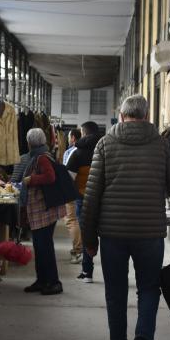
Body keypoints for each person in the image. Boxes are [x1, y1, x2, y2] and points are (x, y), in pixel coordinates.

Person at [82, 95, 170, 340]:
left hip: (112, 234)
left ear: (121, 116)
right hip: (149, 234)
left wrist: (88, 239)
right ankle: (143, 337)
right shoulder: (161, 146)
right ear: (146, 116)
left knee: (116, 294)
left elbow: (92, 196)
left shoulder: (105, 144)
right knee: (148, 288)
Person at [20, 128, 66, 295]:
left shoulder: (41, 158)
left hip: (44, 211)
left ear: (30, 143)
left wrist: (31, 179)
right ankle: (42, 280)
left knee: (44, 247)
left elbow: (50, 177)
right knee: (40, 247)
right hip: (42, 210)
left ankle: (54, 282)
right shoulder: (40, 156)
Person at [66, 121, 101, 282]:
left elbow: (69, 178)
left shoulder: (77, 153)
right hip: (102, 198)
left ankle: (87, 271)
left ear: (83, 132)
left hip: (82, 198)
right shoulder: (105, 149)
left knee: (87, 232)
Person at [62, 129, 83, 264]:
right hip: (83, 191)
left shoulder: (71, 152)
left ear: (73, 138)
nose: (68, 139)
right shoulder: (88, 150)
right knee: (78, 220)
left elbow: (67, 174)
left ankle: (77, 250)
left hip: (72, 191)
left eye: (69, 137)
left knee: (71, 220)